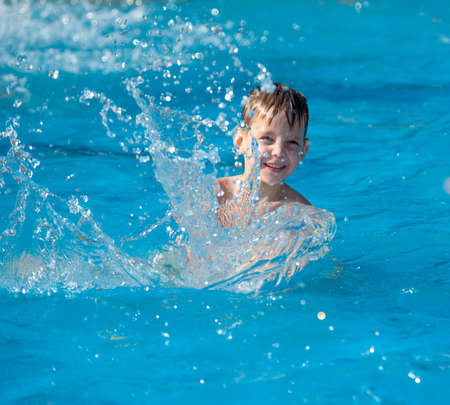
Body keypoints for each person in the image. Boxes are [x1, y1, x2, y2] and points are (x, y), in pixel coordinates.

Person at [216, 82, 311, 228]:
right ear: (240, 141)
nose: (279, 151)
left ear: (303, 151)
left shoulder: (301, 213)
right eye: (267, 138)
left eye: (292, 142)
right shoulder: (214, 195)